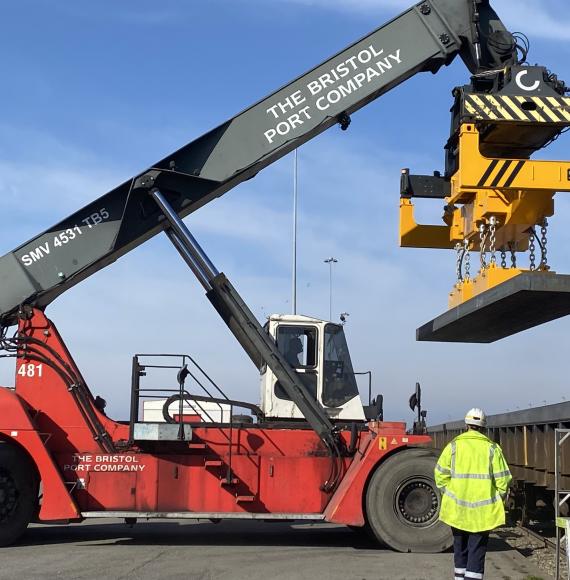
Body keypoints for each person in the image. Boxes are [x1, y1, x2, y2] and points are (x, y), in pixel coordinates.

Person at [434, 408, 512, 580]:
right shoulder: (492, 449)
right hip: (482, 513)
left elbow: (440, 475)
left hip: (457, 510)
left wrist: (450, 494)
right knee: (476, 551)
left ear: (466, 425)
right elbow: (503, 480)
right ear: (484, 427)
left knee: (459, 548)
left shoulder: (453, 446)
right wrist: (496, 499)